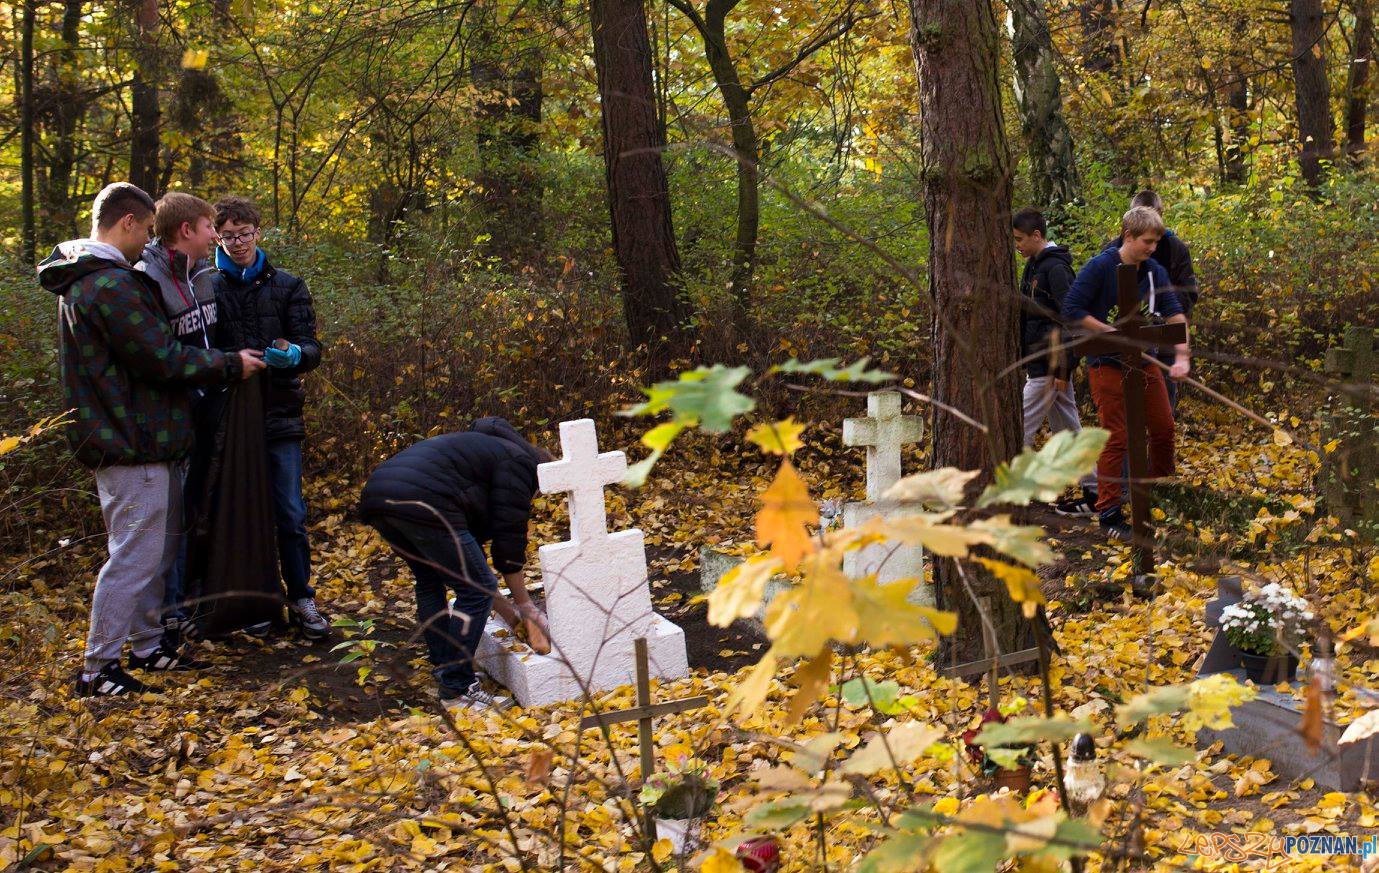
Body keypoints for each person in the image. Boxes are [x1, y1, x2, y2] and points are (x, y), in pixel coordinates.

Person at [37, 182, 265, 697]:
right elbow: (162, 357)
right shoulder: (108, 285)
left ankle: (146, 646)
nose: (147, 243)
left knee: (158, 553)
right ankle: (97, 668)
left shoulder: (104, 280)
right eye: (144, 230)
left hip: (148, 438)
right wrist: (231, 364)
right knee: (134, 557)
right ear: (126, 223)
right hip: (128, 441)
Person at [359, 417, 553, 711]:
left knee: (430, 579)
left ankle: (445, 664)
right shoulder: (521, 466)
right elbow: (508, 544)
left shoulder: (487, 455)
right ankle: (457, 688)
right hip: (425, 499)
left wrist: (511, 616)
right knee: (477, 589)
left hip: (380, 495)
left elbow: (472, 557)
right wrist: (525, 606)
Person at [209, 196, 330, 640]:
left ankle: (302, 597)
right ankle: (252, 604)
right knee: (238, 514)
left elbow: (311, 347)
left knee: (290, 512)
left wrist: (293, 355)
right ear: (216, 237)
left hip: (280, 414)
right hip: (227, 421)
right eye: (228, 235)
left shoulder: (288, 285)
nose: (238, 243)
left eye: (245, 233)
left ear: (259, 233)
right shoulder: (207, 285)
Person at [1062, 206, 1190, 541]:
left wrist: (1182, 356)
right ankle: (1109, 512)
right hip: (1107, 363)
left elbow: (1176, 316)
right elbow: (1072, 309)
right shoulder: (1100, 267)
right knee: (1115, 436)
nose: (1151, 248)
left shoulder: (1154, 271)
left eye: (1156, 242)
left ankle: (1159, 492)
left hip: (1144, 361)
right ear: (1128, 236)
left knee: (1163, 426)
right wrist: (1110, 332)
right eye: (1147, 241)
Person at [136, 192, 220, 641]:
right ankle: (167, 613)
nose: (214, 235)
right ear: (186, 230)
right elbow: (158, 357)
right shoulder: (147, 279)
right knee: (169, 521)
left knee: (193, 512)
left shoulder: (204, 274)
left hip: (208, 411)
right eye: (209, 227)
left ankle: (187, 603)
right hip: (171, 419)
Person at [1013, 207, 1097, 516]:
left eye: (1021, 239)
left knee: (1017, 427)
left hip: (1049, 367)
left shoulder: (1057, 269)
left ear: (1037, 236)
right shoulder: (1032, 267)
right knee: (1069, 432)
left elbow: (1070, 319)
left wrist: (1063, 367)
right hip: (1038, 363)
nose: (1017, 245)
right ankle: (1096, 491)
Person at [1104, 190, 1199, 409]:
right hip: (1122, 342)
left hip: (1163, 338)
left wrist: (1160, 313)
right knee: (1126, 410)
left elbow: (1188, 293)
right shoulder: (1112, 250)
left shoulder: (1175, 248)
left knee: (1163, 408)